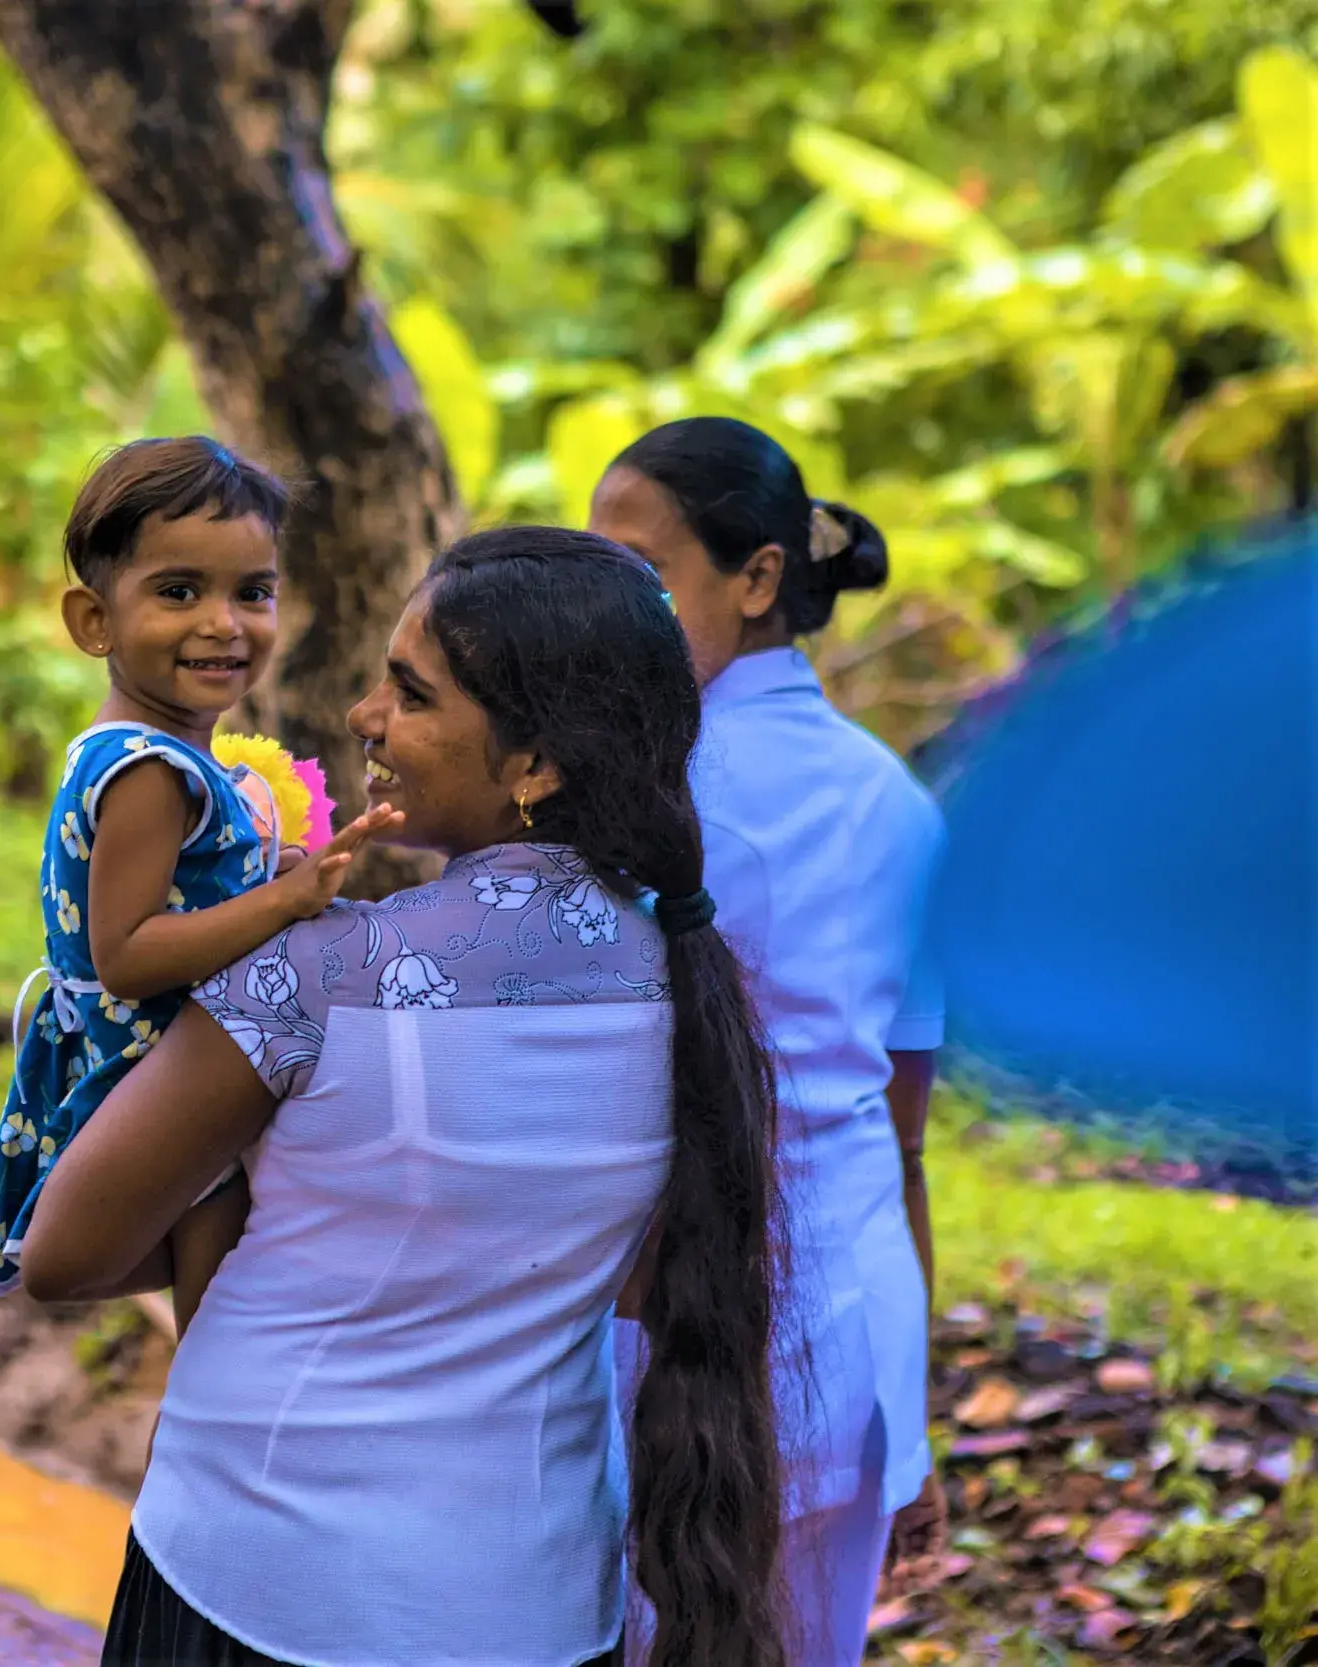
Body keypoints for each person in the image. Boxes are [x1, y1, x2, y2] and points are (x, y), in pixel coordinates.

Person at [22, 527, 789, 1667]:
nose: (362, 714)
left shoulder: (317, 973)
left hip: (258, 1573)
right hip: (530, 1603)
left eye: (411, 693)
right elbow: (632, 1277)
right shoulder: (686, 983)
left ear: (534, 764)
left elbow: (65, 1251)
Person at [590, 416, 943, 1667]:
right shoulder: (902, 806)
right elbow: (902, 1137)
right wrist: (912, 1411)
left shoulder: (643, 795)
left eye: (642, 576)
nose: (608, 616)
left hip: (677, 1349)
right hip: (860, 1336)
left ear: (753, 580)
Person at [0, 436, 393, 1325]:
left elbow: (175, 900)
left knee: (230, 1289)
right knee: (219, 1297)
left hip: (175, 1058)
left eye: (253, 592)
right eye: (178, 591)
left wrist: (262, 875)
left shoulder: (169, 756)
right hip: (156, 1070)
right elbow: (126, 952)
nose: (224, 623)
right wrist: (284, 903)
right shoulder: (149, 768)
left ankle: (200, 1434)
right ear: (94, 623)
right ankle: (201, 1441)